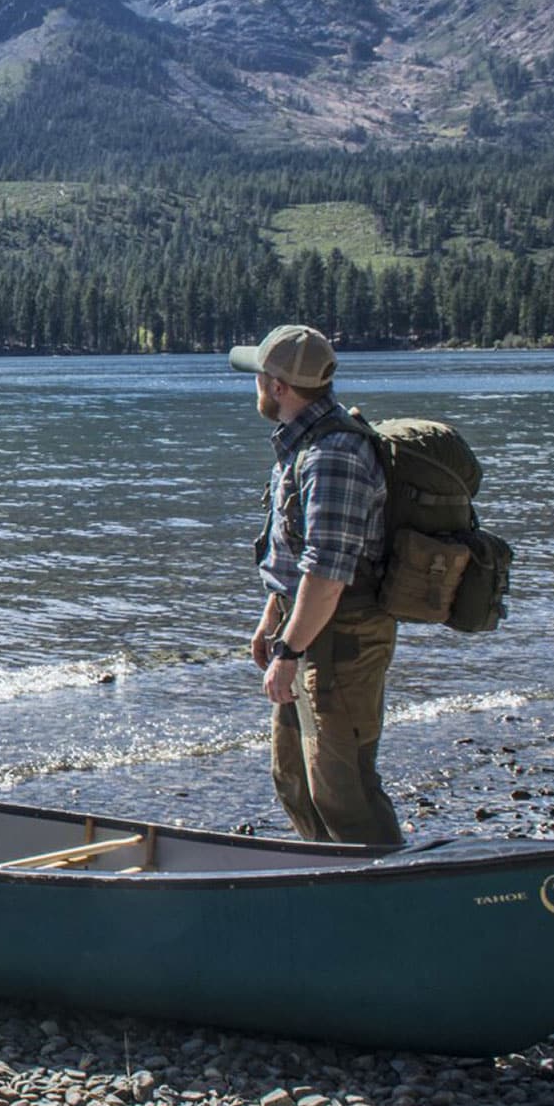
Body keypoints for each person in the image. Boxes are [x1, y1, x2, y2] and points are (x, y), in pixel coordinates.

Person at [229, 323, 403, 847]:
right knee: (293, 780)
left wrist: (289, 650)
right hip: (304, 626)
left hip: (342, 638)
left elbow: (328, 573)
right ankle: (329, 883)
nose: (255, 384)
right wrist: (272, 615)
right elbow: (294, 549)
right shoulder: (300, 444)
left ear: (278, 386)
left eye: (259, 375)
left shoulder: (332, 456)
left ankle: (386, 899)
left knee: (342, 789)